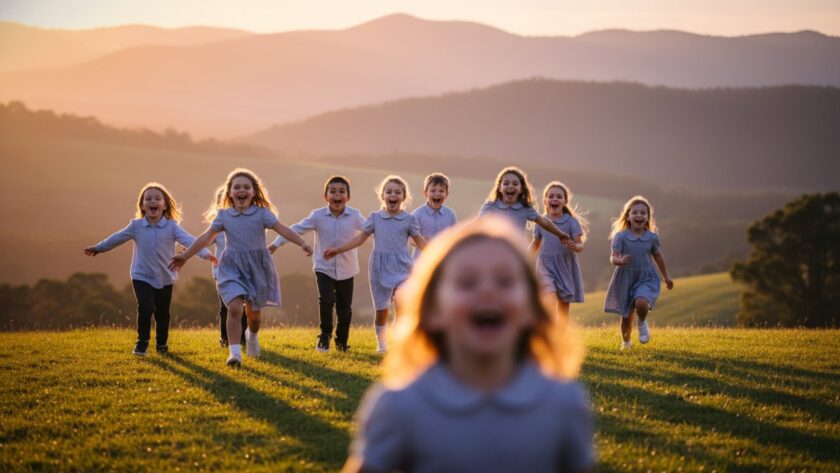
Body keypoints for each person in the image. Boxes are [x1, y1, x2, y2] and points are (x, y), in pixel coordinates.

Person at [343, 217, 594, 473]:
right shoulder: (399, 405)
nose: (487, 290)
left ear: (532, 307)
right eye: (466, 282)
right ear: (433, 310)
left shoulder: (563, 402)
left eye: (505, 281)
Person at [169, 168, 312, 367]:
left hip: (257, 267)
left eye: (246, 187)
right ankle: (234, 354)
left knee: (254, 316)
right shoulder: (224, 216)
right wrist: (185, 256)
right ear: (230, 192)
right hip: (232, 267)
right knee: (235, 309)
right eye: (237, 187)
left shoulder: (262, 214)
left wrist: (302, 243)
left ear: (254, 192)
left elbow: (284, 229)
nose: (241, 190)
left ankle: (252, 337)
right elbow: (205, 238)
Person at [84, 182, 214, 356]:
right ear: (143, 206)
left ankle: (162, 345)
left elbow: (189, 241)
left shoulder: (171, 227)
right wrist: (99, 248)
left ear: (165, 205)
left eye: (157, 199)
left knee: (162, 314)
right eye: (148, 199)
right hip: (141, 275)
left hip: (165, 277)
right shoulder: (136, 226)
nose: (153, 201)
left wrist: (206, 254)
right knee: (145, 308)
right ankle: (142, 342)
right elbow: (117, 238)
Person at [324, 175, 426, 353]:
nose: (392, 195)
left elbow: (420, 242)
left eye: (397, 192)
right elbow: (359, 239)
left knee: (402, 304)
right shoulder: (375, 218)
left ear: (404, 197)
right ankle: (381, 344)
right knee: (382, 311)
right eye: (389, 192)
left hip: (403, 267)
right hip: (379, 268)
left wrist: (442, 255)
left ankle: (400, 340)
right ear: (382, 196)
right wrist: (338, 249)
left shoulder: (409, 220)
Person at [269, 175, 366, 353]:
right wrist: (276, 244)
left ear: (348, 197)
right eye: (333, 191)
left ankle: (342, 342)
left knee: (345, 309)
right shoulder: (318, 216)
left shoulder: (355, 216)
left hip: (347, 269)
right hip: (324, 267)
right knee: (327, 300)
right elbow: (296, 229)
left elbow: (370, 231)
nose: (337, 195)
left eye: (342, 192)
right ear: (326, 196)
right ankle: (325, 335)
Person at [604, 195, 674, 350]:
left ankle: (642, 322)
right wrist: (620, 261)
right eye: (635, 212)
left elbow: (658, 256)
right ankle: (626, 343)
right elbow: (613, 257)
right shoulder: (621, 237)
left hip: (646, 277)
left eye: (643, 213)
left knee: (641, 302)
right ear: (628, 216)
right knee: (626, 316)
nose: (639, 216)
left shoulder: (651, 238)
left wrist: (666, 276)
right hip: (625, 279)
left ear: (648, 217)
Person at [531, 181, 588, 320]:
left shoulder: (571, 222)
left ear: (565, 201)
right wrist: (523, 257)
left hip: (565, 266)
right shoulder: (541, 221)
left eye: (559, 196)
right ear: (545, 201)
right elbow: (536, 243)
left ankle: (561, 337)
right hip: (546, 265)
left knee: (563, 305)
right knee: (548, 297)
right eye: (551, 196)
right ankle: (547, 328)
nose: (554, 199)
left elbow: (580, 246)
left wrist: (575, 246)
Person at [479, 166, 571, 241]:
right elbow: (477, 224)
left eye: (515, 184)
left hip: (517, 254)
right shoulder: (490, 207)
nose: (510, 186)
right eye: (506, 183)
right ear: (499, 188)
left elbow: (544, 222)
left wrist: (560, 234)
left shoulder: (525, 208)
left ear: (521, 189)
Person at [208, 187, 247, 348]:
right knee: (227, 307)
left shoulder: (245, 224)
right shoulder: (217, 227)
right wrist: (190, 249)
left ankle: (243, 337)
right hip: (222, 273)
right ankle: (225, 338)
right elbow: (205, 241)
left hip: (243, 272)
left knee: (242, 306)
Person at [410, 172, 457, 259]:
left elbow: (455, 237)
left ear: (446, 195)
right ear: (425, 193)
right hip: (420, 261)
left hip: (442, 260)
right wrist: (422, 241)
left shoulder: (450, 215)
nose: (437, 194)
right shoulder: (417, 214)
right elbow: (411, 240)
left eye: (441, 191)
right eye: (433, 190)